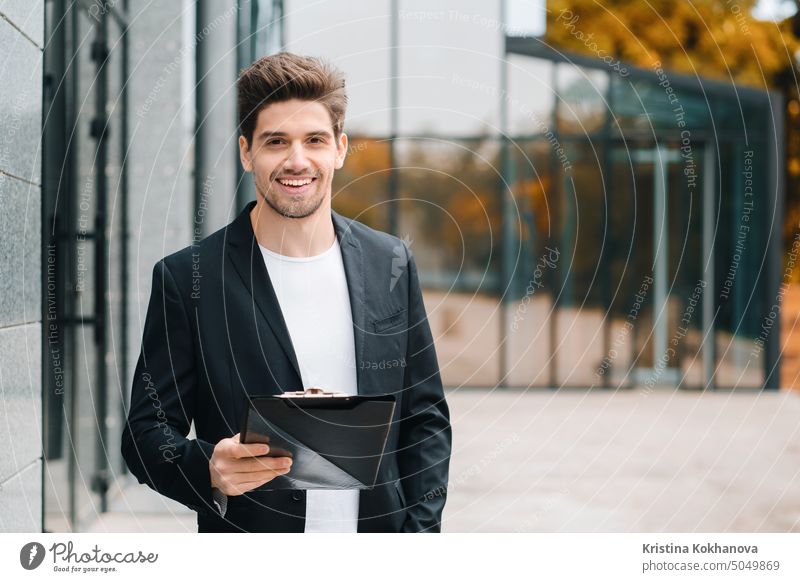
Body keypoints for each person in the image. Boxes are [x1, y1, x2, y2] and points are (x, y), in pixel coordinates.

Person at [121, 52, 452, 532]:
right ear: (246, 152)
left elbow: (426, 419)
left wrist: (418, 538)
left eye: (314, 140)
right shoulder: (188, 279)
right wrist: (209, 468)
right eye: (276, 141)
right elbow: (145, 433)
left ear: (339, 149)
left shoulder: (391, 264)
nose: (297, 160)